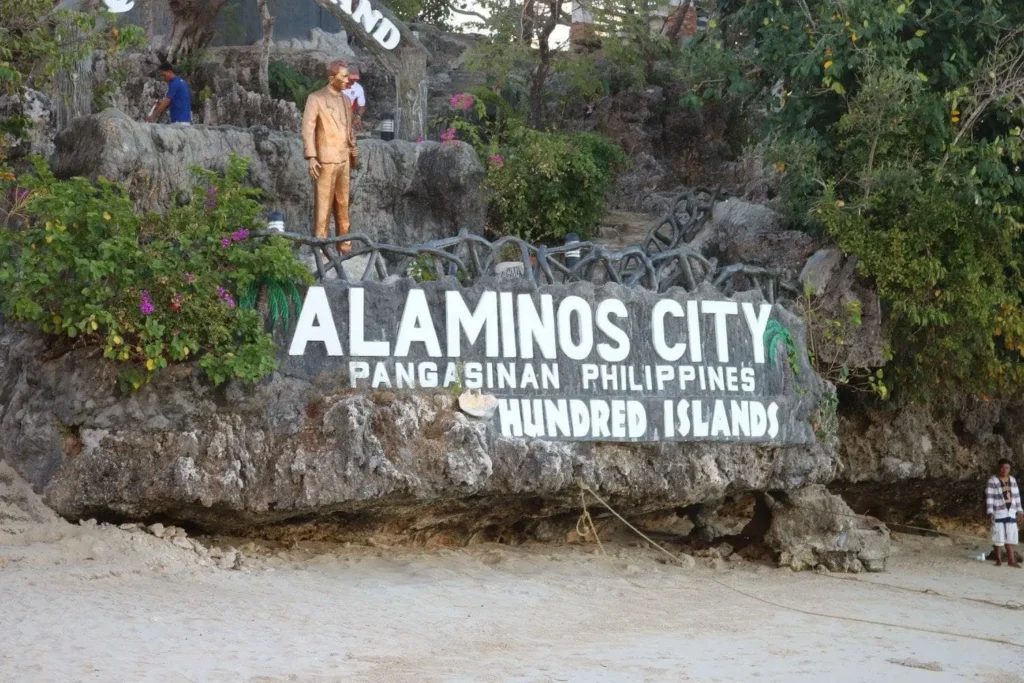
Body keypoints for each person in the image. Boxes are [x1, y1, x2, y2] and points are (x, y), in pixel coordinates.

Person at [301, 60, 359, 255]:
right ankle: (321, 249)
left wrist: (353, 148)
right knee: (323, 208)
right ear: (331, 78)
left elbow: (348, 129)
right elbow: (308, 129)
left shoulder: (345, 100)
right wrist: (311, 156)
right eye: (343, 76)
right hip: (325, 160)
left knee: (343, 206)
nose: (347, 80)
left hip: (344, 160)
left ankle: (345, 247)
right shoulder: (315, 99)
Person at [986, 458, 1023, 567]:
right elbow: (990, 497)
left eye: (1007, 468)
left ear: (1009, 469)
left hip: (1011, 512)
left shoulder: (1012, 480)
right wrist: (990, 512)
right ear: (998, 468)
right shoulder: (992, 481)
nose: (1004, 470)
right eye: (1002, 467)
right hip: (998, 512)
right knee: (998, 537)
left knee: (1011, 537)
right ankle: (998, 561)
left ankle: (1011, 561)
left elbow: (1017, 497)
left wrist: (1020, 511)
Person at [343, 65, 366, 131]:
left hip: (349, 112)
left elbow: (362, 106)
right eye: (352, 78)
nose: (354, 80)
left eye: (355, 78)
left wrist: (358, 117)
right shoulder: (337, 84)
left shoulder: (358, 88)